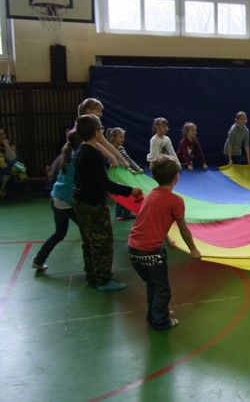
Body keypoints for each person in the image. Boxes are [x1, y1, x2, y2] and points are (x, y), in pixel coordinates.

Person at [128, 155, 201, 330]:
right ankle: (161, 321)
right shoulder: (175, 201)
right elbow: (183, 229)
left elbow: (151, 221)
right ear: (176, 177)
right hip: (151, 253)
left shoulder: (151, 195)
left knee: (153, 285)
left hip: (133, 249)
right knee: (163, 289)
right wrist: (193, 249)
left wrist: (167, 239)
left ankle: (153, 314)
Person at [72, 114, 143, 292]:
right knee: (102, 243)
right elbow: (105, 183)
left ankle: (92, 275)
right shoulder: (92, 154)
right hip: (93, 205)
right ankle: (103, 280)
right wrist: (130, 190)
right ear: (97, 133)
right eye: (101, 129)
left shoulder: (80, 151)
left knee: (89, 242)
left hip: (80, 202)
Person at [31, 130, 83, 271]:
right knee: (87, 230)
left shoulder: (67, 154)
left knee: (59, 233)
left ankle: (38, 260)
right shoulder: (77, 157)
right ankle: (93, 267)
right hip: (66, 201)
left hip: (56, 199)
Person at [77, 98, 128, 167]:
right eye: (98, 111)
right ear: (88, 110)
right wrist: (113, 158)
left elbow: (105, 143)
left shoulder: (90, 125)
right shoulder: (81, 127)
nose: (101, 114)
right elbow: (97, 144)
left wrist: (121, 159)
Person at [106, 127, 143, 221]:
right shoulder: (110, 148)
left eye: (123, 137)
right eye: (120, 137)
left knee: (128, 192)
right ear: (113, 138)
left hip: (125, 173)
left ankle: (127, 213)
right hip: (117, 174)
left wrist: (137, 168)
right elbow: (115, 162)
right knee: (120, 194)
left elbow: (128, 160)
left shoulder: (121, 148)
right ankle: (118, 214)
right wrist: (131, 169)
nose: (123, 139)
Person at [0, 128, 28, 198]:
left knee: (18, 165)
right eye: (0, 134)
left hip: (10, 169)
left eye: (3, 134)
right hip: (2, 169)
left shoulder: (11, 145)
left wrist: (6, 145)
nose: (3, 136)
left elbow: (12, 159)